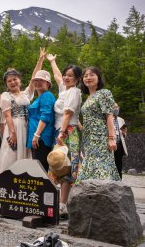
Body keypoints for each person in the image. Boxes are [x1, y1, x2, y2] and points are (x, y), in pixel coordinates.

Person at [47, 54, 82, 219]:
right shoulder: (64, 89)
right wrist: (52, 61)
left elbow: (68, 114)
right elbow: (57, 77)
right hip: (60, 130)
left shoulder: (74, 92)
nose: (67, 78)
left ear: (77, 79)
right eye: (66, 74)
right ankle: (57, 204)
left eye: (71, 76)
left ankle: (62, 206)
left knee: (66, 168)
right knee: (57, 166)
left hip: (67, 132)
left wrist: (61, 133)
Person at [76, 67, 120, 184]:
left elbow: (109, 116)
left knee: (101, 165)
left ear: (98, 78)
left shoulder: (103, 93)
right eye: (85, 76)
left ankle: (104, 194)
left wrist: (111, 138)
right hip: (89, 138)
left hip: (100, 136)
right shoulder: (87, 98)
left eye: (92, 75)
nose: (88, 78)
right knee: (91, 164)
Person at [27, 50, 56, 172]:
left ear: (48, 83)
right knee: (37, 169)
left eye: (41, 80)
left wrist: (37, 135)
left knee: (40, 170)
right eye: (36, 80)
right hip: (37, 138)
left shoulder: (47, 96)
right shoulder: (39, 97)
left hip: (41, 138)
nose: (38, 82)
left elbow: (45, 116)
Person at [113, 103, 128, 179]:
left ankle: (119, 180)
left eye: (117, 107)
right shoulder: (107, 119)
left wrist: (124, 132)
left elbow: (125, 134)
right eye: (114, 107)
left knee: (119, 163)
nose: (116, 109)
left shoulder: (121, 120)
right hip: (111, 144)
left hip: (119, 144)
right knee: (111, 163)